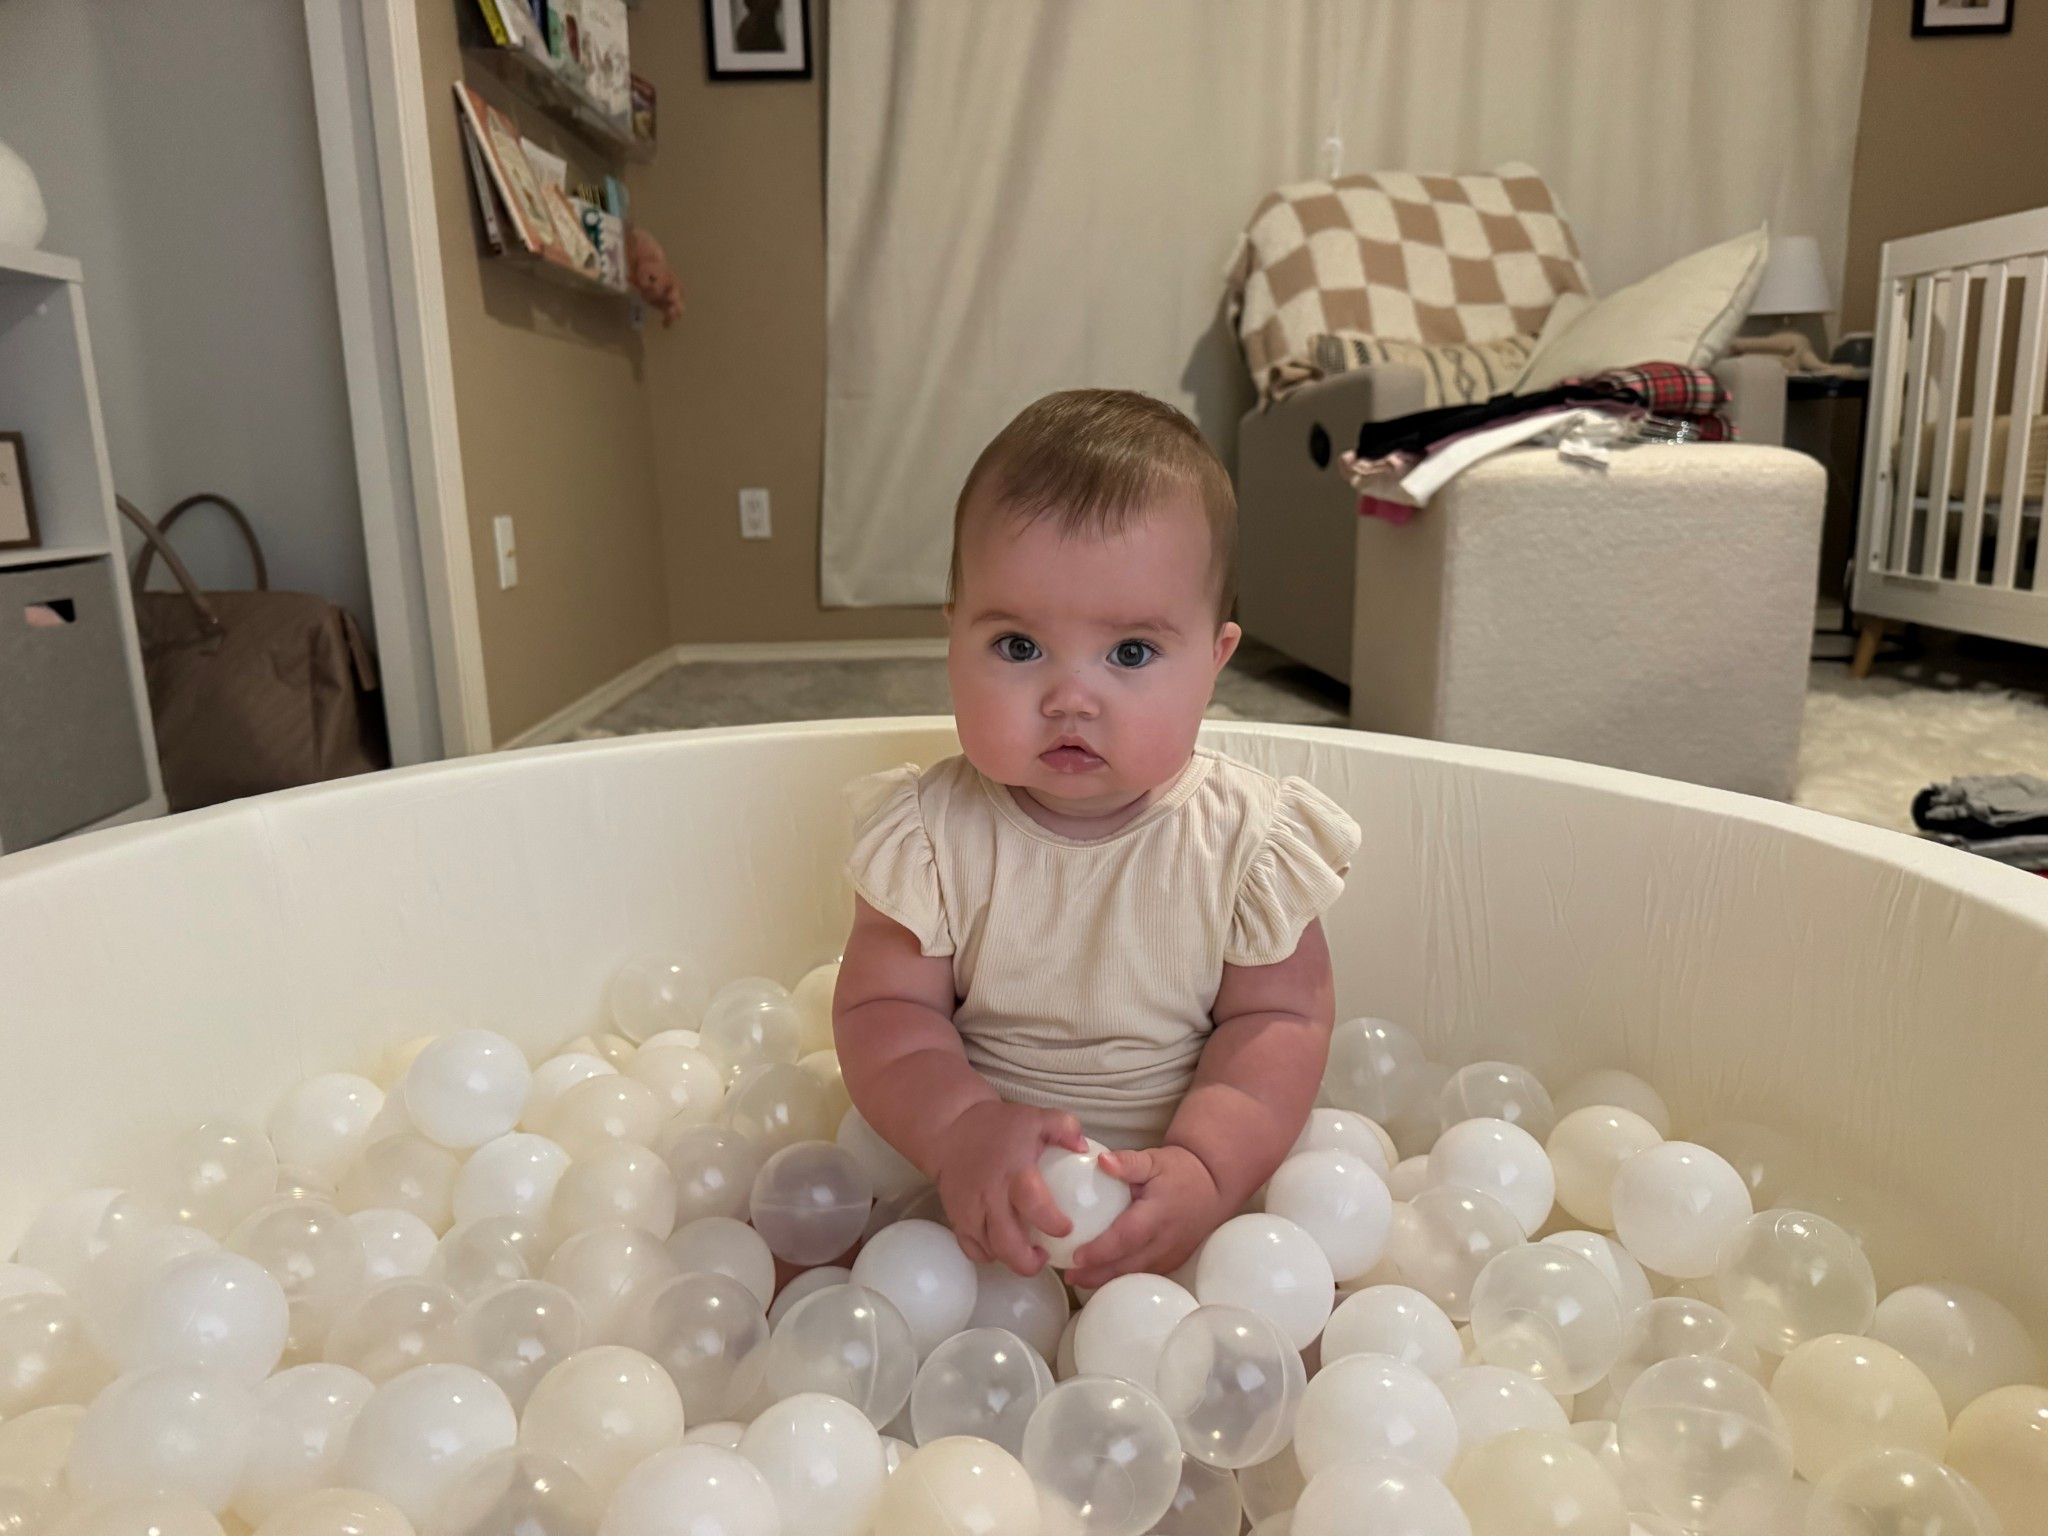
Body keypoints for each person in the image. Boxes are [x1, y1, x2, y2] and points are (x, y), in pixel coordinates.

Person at [833, 389, 1359, 1289]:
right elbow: (886, 1016)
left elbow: (1279, 1023)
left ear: (1215, 661)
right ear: (953, 637)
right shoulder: (929, 838)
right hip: (974, 1188)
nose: (1070, 698)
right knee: (835, 1265)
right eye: (1018, 646)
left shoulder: (1247, 844)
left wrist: (1208, 1169)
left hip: (1186, 1194)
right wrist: (960, 1129)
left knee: (1286, 1313)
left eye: (1130, 654)